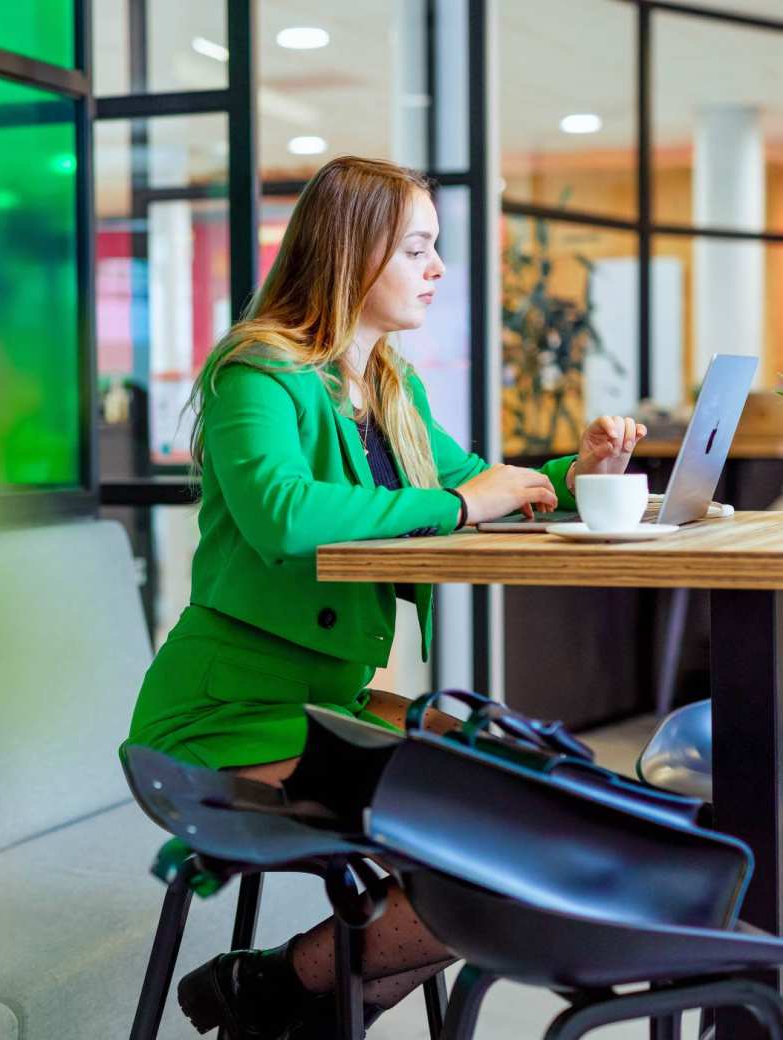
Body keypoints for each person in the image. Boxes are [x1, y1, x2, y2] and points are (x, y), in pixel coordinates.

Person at [123, 155, 647, 1038]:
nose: (437, 268)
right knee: (497, 832)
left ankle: (288, 987)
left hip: (327, 701)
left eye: (434, 247)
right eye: (416, 248)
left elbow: (480, 482)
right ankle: (308, 996)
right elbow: (283, 512)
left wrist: (574, 472)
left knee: (545, 794)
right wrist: (455, 505)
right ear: (349, 254)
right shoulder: (255, 374)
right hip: (221, 718)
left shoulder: (387, 389)